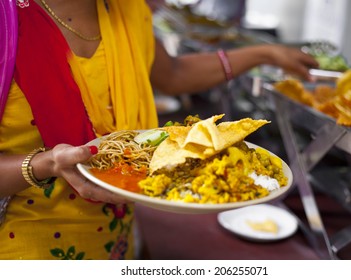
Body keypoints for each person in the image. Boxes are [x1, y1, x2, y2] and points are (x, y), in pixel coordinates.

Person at [0, 0, 318, 260]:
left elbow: (173, 73)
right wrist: (46, 163)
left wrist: (263, 54)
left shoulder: (125, 11)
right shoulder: (8, 22)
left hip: (117, 244)